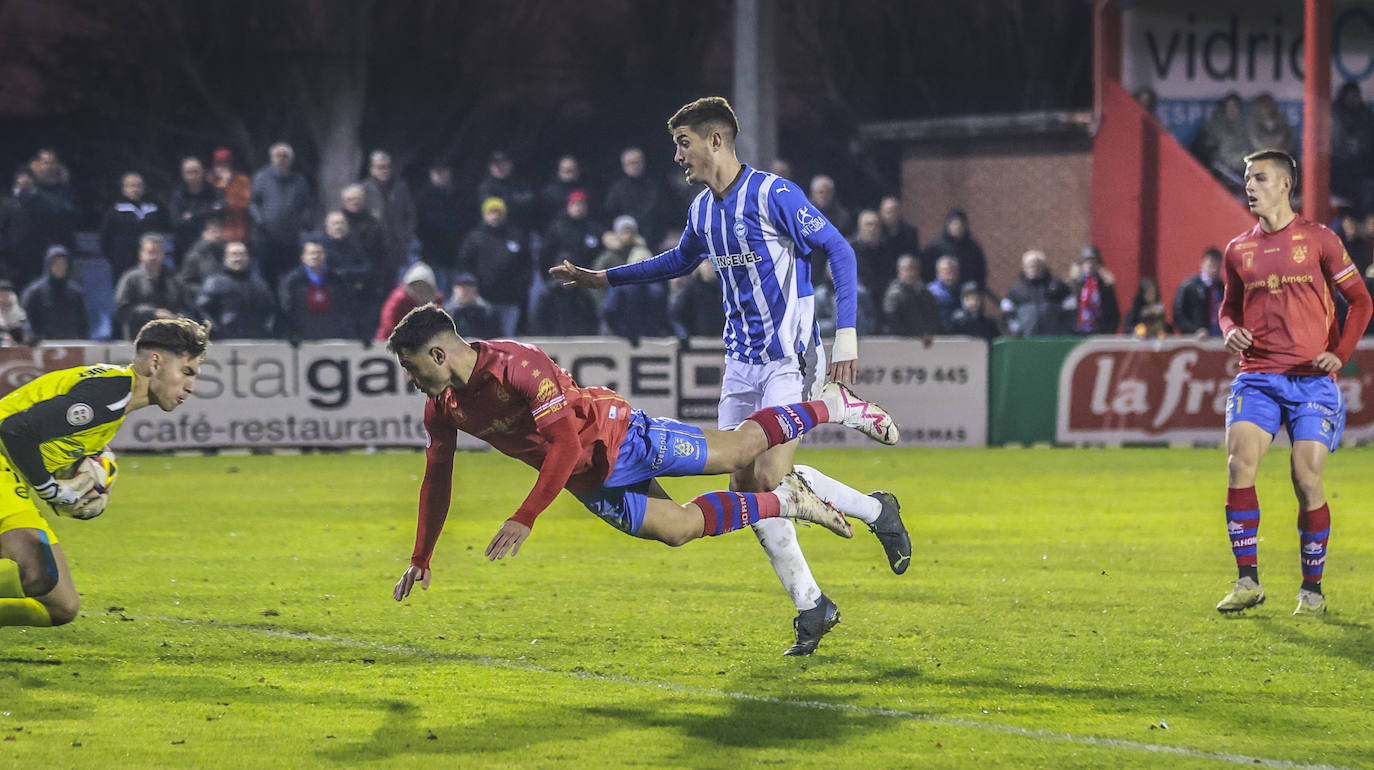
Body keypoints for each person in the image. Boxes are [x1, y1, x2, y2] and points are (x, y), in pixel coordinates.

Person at [551, 97, 911, 656]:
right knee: (742, 485)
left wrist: (847, 334)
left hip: (789, 359)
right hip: (740, 365)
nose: (678, 156)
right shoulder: (702, 209)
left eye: (684, 143)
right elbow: (674, 261)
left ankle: (872, 511)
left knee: (765, 477)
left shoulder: (774, 194)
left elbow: (839, 249)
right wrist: (604, 278)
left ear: (715, 140)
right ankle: (813, 603)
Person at [386, 306, 901, 625]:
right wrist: (422, 554)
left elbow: (564, 444)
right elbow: (437, 478)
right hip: (589, 482)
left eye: (410, 367)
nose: (411, 382)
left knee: (740, 452)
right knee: (677, 531)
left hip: (622, 436)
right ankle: (788, 500)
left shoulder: (518, 365)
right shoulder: (443, 408)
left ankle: (834, 405)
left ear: (436, 354)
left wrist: (525, 516)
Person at [1214, 150, 1372, 616]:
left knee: (1306, 480)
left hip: (1311, 381)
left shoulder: (1320, 240)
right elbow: (1227, 307)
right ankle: (1247, 582)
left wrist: (1338, 355)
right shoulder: (1237, 250)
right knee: (1239, 466)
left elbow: (1361, 302)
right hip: (1256, 376)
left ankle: (1312, 589)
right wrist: (1229, 331)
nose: (1249, 186)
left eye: (1259, 178)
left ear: (1285, 184)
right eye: (1247, 179)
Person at [0, 318, 208, 629]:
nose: (190, 386)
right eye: (186, 372)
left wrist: (79, 482)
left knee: (61, 605)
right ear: (155, 362)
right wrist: (50, 490)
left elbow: (42, 442)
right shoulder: (110, 393)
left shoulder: (112, 401)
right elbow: (14, 430)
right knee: (36, 573)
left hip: (9, 477)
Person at [456, 197, 530, 337]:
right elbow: (464, 266)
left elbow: (527, 266)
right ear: (484, 214)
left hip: (510, 300)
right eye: (491, 212)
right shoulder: (475, 238)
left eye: (498, 212)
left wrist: (521, 288)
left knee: (506, 342)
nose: (495, 216)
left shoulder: (516, 237)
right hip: (482, 302)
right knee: (484, 341)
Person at [250, 142, 314, 289]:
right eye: (278, 156)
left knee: (291, 278)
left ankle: (288, 309)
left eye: (285, 156)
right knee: (267, 278)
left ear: (291, 160)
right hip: (266, 238)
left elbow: (307, 205)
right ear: (271, 158)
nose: (281, 159)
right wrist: (261, 221)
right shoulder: (261, 178)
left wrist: (303, 221)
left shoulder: (299, 181)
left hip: (290, 239)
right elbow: (253, 203)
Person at [194, 241, 276, 339]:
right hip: (224, 340)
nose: (238, 258)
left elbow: (271, 309)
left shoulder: (259, 283)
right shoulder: (215, 282)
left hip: (255, 339)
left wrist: (266, 329)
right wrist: (215, 331)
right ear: (225, 258)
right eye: (234, 255)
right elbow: (202, 310)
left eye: (242, 254)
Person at [278, 241, 355, 342]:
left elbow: (345, 307)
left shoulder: (336, 279)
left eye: (318, 253)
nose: (315, 256)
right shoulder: (292, 281)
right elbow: (286, 308)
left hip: (332, 335)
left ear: (324, 256)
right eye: (311, 253)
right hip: (302, 337)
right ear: (303, 257)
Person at [113, 234, 185, 340]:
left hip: (170, 341)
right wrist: (153, 313)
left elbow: (184, 304)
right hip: (139, 339)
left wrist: (180, 317)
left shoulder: (173, 279)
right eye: (150, 252)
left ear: (163, 255)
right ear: (141, 255)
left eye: (157, 253)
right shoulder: (131, 279)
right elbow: (122, 310)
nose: (154, 257)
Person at [361, 149, 417, 281]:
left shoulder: (400, 187)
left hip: (396, 248)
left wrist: (405, 236)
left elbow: (411, 215)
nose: (384, 170)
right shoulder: (363, 189)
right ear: (371, 169)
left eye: (387, 167)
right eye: (380, 167)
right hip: (372, 247)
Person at [99, 172, 167, 277]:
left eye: (139, 186)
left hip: (149, 264)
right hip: (123, 265)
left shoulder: (152, 210)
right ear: (123, 189)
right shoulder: (115, 211)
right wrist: (116, 258)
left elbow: (160, 233)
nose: (135, 189)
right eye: (131, 186)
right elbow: (105, 240)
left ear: (144, 188)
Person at [21, 245, 88, 341]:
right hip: (42, 348)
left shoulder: (76, 293)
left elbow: (84, 324)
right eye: (56, 263)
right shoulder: (34, 293)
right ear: (48, 265)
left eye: (63, 264)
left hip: (72, 346)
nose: (59, 267)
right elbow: (24, 321)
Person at [1001, 249, 1071, 336]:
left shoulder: (1058, 286)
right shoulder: (1015, 291)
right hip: (1027, 342)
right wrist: (1017, 331)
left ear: (1043, 266)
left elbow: (1071, 310)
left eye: (1037, 265)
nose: (1034, 269)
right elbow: (1007, 313)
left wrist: (1064, 330)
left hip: (1054, 340)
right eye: (1030, 266)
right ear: (1024, 267)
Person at [602, 147, 662, 244]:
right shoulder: (617, 189)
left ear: (643, 163)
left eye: (637, 162)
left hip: (656, 238)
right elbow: (610, 215)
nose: (635, 166)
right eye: (630, 163)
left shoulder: (654, 186)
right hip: (628, 240)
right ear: (624, 166)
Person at [168, 156, 224, 257]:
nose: (193, 176)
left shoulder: (214, 191)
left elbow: (220, 211)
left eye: (196, 171)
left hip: (212, 243)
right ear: (183, 175)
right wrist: (206, 213)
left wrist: (193, 215)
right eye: (189, 173)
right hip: (185, 245)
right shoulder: (178, 195)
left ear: (202, 172)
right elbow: (176, 221)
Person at [375, 261, 442, 342]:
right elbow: (389, 323)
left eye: (424, 285)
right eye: (417, 285)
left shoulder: (437, 302)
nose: (421, 289)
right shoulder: (398, 300)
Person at [921, 209, 988, 290]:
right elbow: (927, 273)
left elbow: (981, 272)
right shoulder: (936, 248)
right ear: (948, 225)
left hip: (966, 292)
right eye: (954, 224)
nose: (957, 228)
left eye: (960, 225)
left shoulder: (973, 248)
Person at [883, 254, 941, 339]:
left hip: (924, 342)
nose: (912, 273)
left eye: (915, 269)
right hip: (902, 342)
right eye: (907, 269)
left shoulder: (925, 293)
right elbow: (892, 320)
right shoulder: (894, 294)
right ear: (899, 271)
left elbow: (933, 318)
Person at [1066, 246, 1120, 334]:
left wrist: (1108, 331)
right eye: (1087, 262)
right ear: (1082, 265)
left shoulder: (1105, 287)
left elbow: (1113, 313)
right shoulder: (1073, 286)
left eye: (1093, 263)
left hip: (1098, 332)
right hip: (1077, 333)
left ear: (1098, 265)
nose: (1090, 266)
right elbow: (1066, 311)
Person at [1172, 248, 1225, 338]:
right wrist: (1194, 330)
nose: (1214, 270)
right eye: (1211, 265)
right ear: (1202, 264)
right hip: (1195, 337)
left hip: (1218, 335)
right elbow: (1178, 314)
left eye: (1218, 266)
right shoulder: (1189, 286)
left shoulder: (1221, 287)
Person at [176, 217, 227, 307]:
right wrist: (205, 290)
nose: (218, 235)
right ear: (204, 234)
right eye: (213, 232)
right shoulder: (195, 255)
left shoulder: (226, 253)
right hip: (202, 300)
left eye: (220, 231)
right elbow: (185, 282)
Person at [210, 148, 252, 244]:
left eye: (225, 164)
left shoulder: (242, 180)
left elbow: (244, 203)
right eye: (218, 165)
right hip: (217, 232)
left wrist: (226, 184)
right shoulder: (211, 181)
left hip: (239, 230)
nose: (222, 168)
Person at [443, 272, 500, 340]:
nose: (465, 292)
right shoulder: (447, 313)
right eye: (462, 289)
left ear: (475, 290)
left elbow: (496, 337)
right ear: (454, 290)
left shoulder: (487, 312)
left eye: (469, 289)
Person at [926, 255, 961, 330]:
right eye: (947, 271)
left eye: (953, 271)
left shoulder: (961, 290)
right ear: (938, 273)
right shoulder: (931, 291)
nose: (951, 275)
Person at [0, 281, 30, 346]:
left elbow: (27, 336)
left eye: (6, 296)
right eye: (1, 296)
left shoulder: (22, 317)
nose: (3, 299)